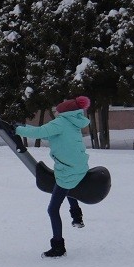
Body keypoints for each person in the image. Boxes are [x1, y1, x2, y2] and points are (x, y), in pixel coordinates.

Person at [13, 96, 90, 258]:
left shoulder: (61, 122)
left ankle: (58, 247)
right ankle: (77, 217)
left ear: (64, 112)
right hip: (78, 168)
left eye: (58, 110)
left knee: (52, 209)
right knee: (70, 187)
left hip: (67, 171)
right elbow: (48, 134)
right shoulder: (74, 122)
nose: (56, 112)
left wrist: (16, 129)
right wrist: (23, 126)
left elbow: (40, 132)